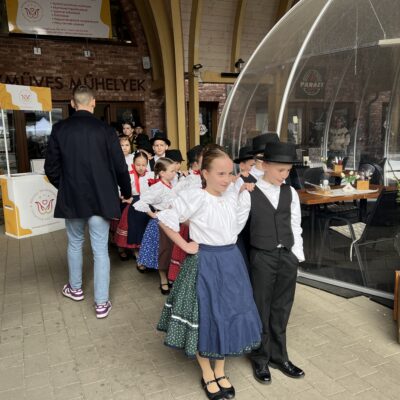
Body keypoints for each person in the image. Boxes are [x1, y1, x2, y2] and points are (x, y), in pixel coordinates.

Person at [157, 144, 262, 400]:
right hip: (205, 262)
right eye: (220, 174)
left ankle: (221, 370)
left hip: (231, 261)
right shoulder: (196, 197)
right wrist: (185, 245)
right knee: (205, 318)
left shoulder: (231, 196)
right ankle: (207, 373)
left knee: (226, 315)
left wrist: (243, 192)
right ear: (205, 173)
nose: (227, 179)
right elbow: (165, 218)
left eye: (229, 173)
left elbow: (235, 226)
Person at [44, 85, 131, 319]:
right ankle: (101, 303)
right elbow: (120, 167)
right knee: (100, 250)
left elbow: (51, 168)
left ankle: (75, 289)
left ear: (73, 104)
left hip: (73, 198)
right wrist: (126, 191)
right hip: (101, 198)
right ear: (93, 102)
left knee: (74, 243)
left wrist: (65, 187)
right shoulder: (106, 130)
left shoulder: (59, 129)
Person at [242, 141, 305, 384]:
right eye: (280, 170)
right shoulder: (250, 191)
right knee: (261, 307)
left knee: (282, 308)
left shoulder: (290, 193)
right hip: (262, 257)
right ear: (264, 165)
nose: (284, 175)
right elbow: (236, 225)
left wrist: (296, 256)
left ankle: (279, 356)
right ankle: (260, 358)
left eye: (288, 170)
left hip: (286, 256)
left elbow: (295, 225)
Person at [134, 157, 177, 294]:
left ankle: (171, 274)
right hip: (161, 223)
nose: (174, 173)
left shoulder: (172, 184)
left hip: (173, 222)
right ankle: (163, 278)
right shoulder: (157, 188)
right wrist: (153, 214)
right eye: (172, 171)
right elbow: (141, 202)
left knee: (171, 250)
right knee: (161, 250)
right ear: (162, 173)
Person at [113, 150, 152, 269]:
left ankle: (141, 252)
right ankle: (134, 252)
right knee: (133, 228)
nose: (141, 167)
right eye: (138, 164)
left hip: (145, 204)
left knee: (143, 229)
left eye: (143, 165)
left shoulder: (150, 175)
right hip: (131, 203)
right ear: (133, 163)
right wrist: (125, 196)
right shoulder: (128, 175)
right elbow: (119, 189)